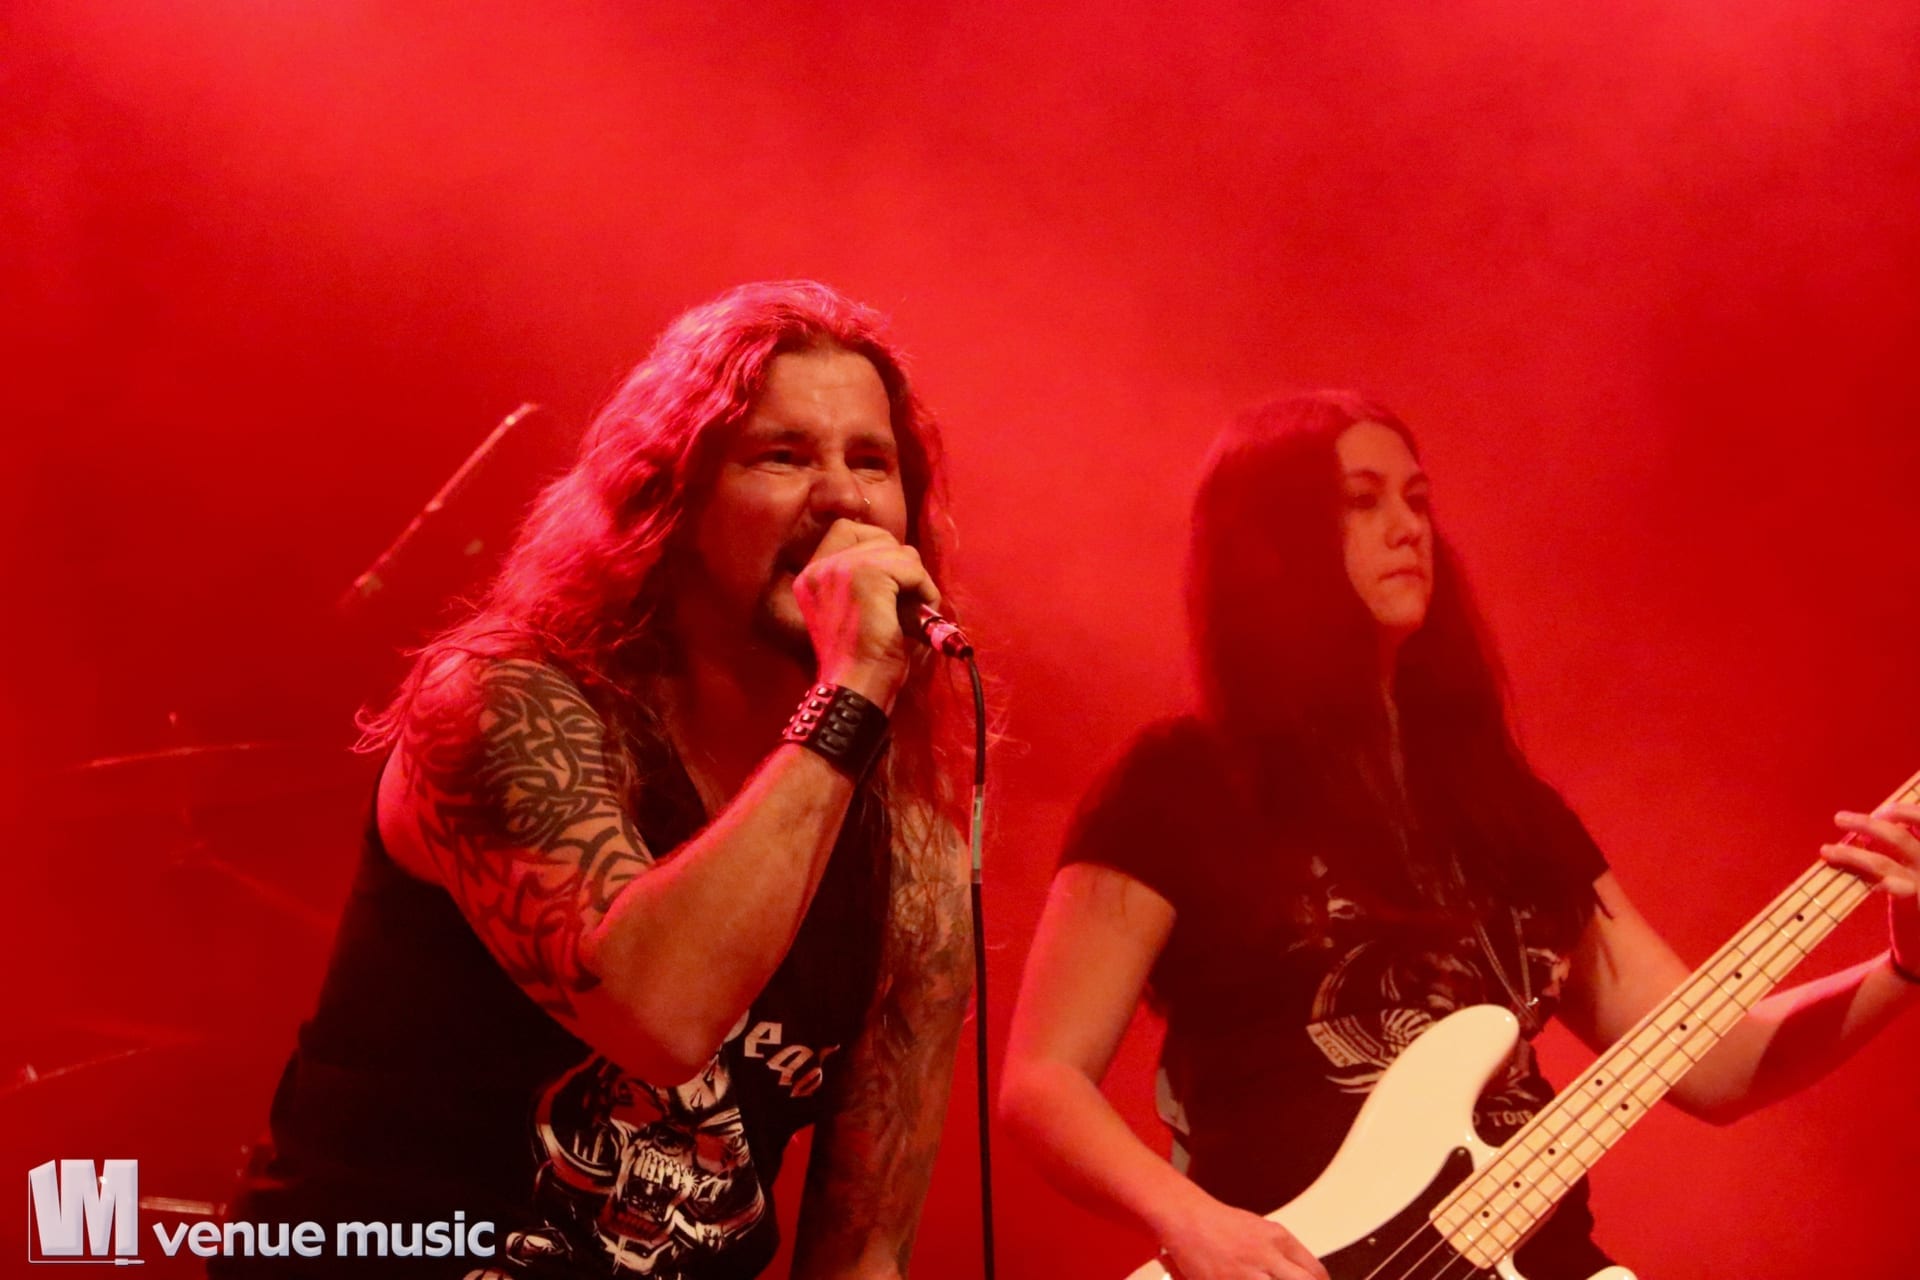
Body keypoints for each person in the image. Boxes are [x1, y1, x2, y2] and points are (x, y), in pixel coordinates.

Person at [998, 391, 1920, 1280]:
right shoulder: (1181, 785)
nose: (1410, 529)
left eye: (1418, 500)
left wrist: (1904, 968)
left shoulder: (1510, 812)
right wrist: (1191, 1221)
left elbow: (1718, 1065)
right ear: (1269, 545)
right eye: (1363, 502)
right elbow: (1043, 1080)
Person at [218, 281, 974, 1279]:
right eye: (783, 456)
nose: (842, 497)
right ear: (673, 501)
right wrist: (854, 686)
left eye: (871, 462)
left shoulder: (910, 861)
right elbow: (660, 1013)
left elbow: (865, 1250)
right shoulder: (500, 708)